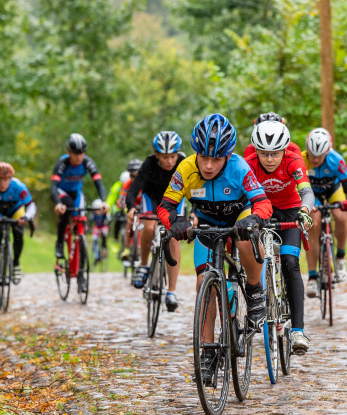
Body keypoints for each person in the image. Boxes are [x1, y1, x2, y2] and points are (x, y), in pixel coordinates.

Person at [159, 114, 273, 371]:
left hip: (239, 219)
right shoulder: (185, 169)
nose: (209, 165)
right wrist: (175, 222)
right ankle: (208, 350)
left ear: (228, 156)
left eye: (217, 159)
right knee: (204, 282)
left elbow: (263, 202)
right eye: (204, 157)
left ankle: (256, 292)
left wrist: (254, 218)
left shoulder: (240, 167)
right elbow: (166, 206)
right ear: (195, 153)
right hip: (207, 224)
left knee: (245, 241)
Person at [244, 120, 314, 354]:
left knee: (290, 262)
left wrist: (305, 210)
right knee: (253, 258)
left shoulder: (294, 160)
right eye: (264, 153)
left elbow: (306, 191)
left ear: (284, 150)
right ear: (256, 151)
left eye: (275, 153)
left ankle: (298, 331)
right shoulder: (249, 163)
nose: (270, 159)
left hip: (290, 212)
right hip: (260, 212)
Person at [126, 131, 185, 312]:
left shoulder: (184, 162)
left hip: (174, 200)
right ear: (157, 155)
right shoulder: (149, 163)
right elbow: (135, 187)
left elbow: (196, 186)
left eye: (172, 157)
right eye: (165, 157)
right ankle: (144, 265)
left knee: (173, 236)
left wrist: (196, 212)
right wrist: (130, 207)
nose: (169, 161)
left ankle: (172, 292)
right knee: (149, 225)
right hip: (151, 198)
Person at [302, 128, 347, 297]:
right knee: (313, 223)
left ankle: (340, 257)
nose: (314, 159)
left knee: (341, 216)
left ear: (327, 152)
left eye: (319, 157)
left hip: (333, 190)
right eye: (312, 155)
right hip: (313, 193)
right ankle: (312, 277)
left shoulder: (337, 160)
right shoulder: (301, 160)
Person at [51, 133, 109, 293]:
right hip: (62, 193)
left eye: (81, 153)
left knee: (81, 223)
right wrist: (57, 203)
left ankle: (81, 276)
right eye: (75, 154)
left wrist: (104, 201)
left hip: (77, 194)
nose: (78, 157)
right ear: (68, 152)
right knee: (66, 207)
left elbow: (99, 183)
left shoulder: (88, 163)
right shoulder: (62, 163)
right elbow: (53, 186)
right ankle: (59, 243)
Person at [118, 158, 143, 261]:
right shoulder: (127, 184)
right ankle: (127, 248)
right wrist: (123, 206)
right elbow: (120, 199)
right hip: (132, 206)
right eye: (132, 176)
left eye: (137, 176)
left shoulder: (145, 183)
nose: (134, 179)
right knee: (129, 222)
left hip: (143, 205)